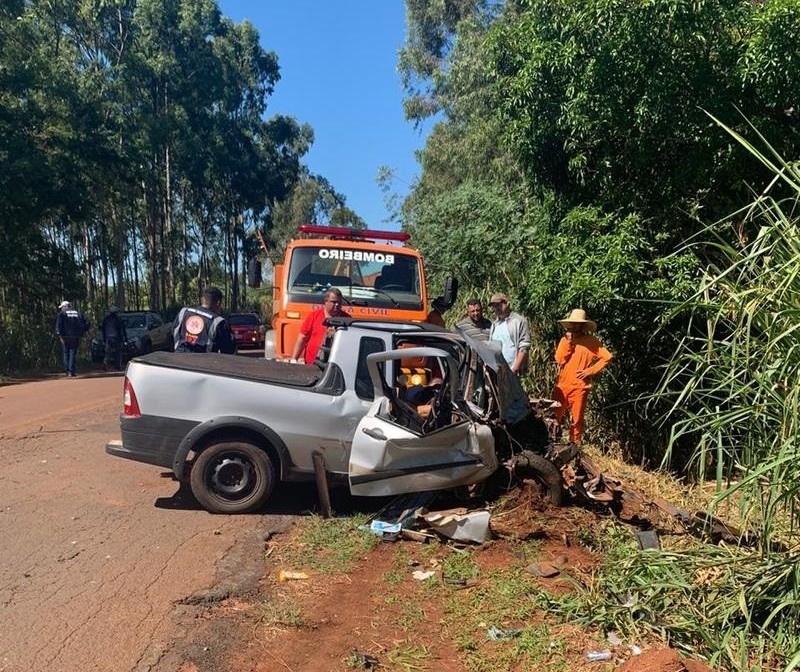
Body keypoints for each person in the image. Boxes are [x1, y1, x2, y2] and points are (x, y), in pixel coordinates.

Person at [552, 308, 613, 445]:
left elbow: (607, 357)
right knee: (554, 416)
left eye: (578, 324)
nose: (575, 326)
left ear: (583, 325)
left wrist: (590, 371)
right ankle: (552, 443)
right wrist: (569, 342)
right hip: (562, 385)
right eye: (573, 323)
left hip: (580, 387)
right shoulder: (564, 340)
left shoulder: (591, 341)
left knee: (577, 419)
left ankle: (575, 447)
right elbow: (559, 360)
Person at [291, 288, 350, 364]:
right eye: (334, 302)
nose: (337, 305)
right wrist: (294, 359)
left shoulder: (347, 319)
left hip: (336, 365)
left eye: (339, 302)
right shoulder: (314, 316)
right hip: (312, 364)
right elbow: (302, 338)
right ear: (325, 302)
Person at [173, 287, 236, 354]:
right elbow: (228, 350)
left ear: (202, 300)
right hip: (205, 363)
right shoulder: (218, 322)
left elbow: (173, 333)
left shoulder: (183, 312)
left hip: (179, 360)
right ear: (218, 303)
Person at [488, 293, 531, 375]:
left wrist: (515, 369)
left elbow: (524, 347)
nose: (496, 308)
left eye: (498, 305)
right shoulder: (494, 325)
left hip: (512, 371)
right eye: (494, 306)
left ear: (506, 303)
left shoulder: (519, 321)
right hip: (497, 372)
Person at [55, 300, 89, 377]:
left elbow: (58, 326)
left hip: (65, 337)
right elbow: (87, 322)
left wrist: (59, 336)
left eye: (61, 307)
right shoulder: (77, 313)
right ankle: (71, 371)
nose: (61, 309)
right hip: (75, 336)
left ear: (64, 307)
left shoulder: (62, 314)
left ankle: (67, 371)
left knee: (66, 353)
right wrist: (83, 331)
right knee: (72, 353)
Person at [101, 306, 128, 371]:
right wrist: (124, 338)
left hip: (108, 338)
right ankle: (117, 366)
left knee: (107, 352)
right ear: (116, 312)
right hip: (116, 337)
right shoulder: (118, 319)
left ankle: (106, 363)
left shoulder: (106, 319)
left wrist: (104, 338)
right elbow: (121, 330)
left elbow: (103, 330)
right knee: (118, 352)